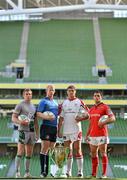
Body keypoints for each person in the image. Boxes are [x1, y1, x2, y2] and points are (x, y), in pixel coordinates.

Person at [58, 85, 89, 177]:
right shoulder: (64, 103)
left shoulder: (79, 102)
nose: (71, 92)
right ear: (67, 92)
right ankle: (68, 172)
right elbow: (61, 118)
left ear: (75, 92)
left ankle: (80, 172)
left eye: (72, 91)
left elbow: (88, 115)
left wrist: (80, 119)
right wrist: (59, 130)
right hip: (66, 130)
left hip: (76, 129)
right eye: (69, 91)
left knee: (77, 149)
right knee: (68, 151)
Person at [86, 90, 116, 178]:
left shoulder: (105, 107)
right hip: (92, 135)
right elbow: (90, 124)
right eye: (95, 96)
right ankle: (94, 174)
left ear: (101, 97)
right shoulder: (91, 110)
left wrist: (103, 122)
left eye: (98, 96)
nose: (96, 97)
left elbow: (113, 118)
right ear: (93, 97)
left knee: (103, 153)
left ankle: (104, 174)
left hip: (102, 134)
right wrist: (87, 134)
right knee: (93, 154)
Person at [12, 88, 39, 178]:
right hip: (23, 131)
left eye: (30, 94)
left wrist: (37, 133)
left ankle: (27, 173)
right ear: (24, 95)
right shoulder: (20, 105)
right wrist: (21, 122)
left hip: (31, 131)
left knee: (29, 153)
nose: (28, 95)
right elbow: (13, 118)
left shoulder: (33, 106)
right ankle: (17, 173)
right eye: (27, 94)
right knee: (20, 151)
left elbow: (35, 122)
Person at [37, 85, 58, 177]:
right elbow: (38, 113)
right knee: (45, 148)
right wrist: (47, 117)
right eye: (49, 90)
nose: (51, 91)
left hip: (54, 127)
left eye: (52, 90)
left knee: (52, 149)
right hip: (46, 126)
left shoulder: (56, 102)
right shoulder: (43, 101)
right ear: (46, 91)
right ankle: (43, 171)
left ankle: (50, 170)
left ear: (54, 91)